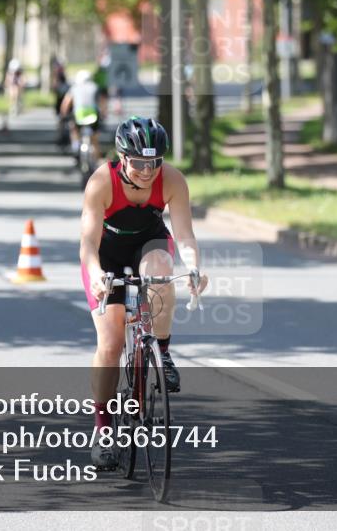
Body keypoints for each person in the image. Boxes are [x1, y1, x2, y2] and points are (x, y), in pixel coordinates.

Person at [79, 116, 208, 469]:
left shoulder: (173, 180)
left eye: (154, 163)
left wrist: (194, 266)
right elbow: (88, 243)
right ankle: (103, 430)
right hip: (106, 254)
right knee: (110, 343)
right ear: (122, 158)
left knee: (161, 274)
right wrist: (95, 275)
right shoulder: (101, 182)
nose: (147, 171)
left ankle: (162, 351)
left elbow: (184, 235)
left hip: (148, 243)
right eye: (138, 163)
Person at [60, 70, 107, 165]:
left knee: (74, 131)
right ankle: (98, 161)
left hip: (79, 115)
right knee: (94, 139)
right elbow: (102, 102)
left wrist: (63, 115)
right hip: (93, 115)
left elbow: (66, 103)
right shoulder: (95, 87)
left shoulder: (74, 88)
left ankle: (76, 148)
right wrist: (103, 114)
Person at [2, 59, 24, 132]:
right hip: (11, 86)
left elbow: (22, 81)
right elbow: (7, 81)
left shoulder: (20, 73)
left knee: (17, 92)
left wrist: (21, 85)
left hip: (17, 86)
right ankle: (13, 107)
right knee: (12, 93)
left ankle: (18, 105)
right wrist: (7, 86)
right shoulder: (9, 73)